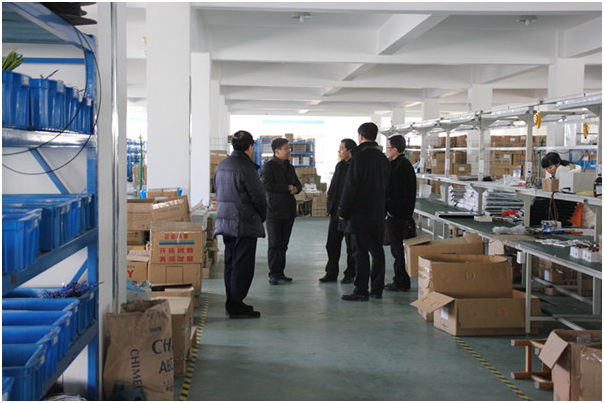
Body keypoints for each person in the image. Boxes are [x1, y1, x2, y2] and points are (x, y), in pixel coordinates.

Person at [214, 130, 267, 319]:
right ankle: (236, 306)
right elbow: (259, 197)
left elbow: (217, 190)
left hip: (226, 222)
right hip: (244, 223)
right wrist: (262, 216)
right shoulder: (246, 168)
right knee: (243, 266)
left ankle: (232, 301)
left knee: (230, 263)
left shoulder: (222, 165)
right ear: (250, 147)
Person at [338, 122, 390, 301]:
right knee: (377, 252)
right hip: (377, 214)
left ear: (360, 136)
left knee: (360, 253)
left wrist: (343, 210)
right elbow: (388, 187)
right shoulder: (383, 159)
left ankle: (361, 290)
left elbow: (351, 186)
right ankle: (377, 289)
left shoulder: (358, 158)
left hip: (359, 215)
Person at [260, 138, 303, 285]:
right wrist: (286, 188)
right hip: (274, 211)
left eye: (289, 148)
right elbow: (265, 185)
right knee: (274, 243)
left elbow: (298, 184)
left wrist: (296, 188)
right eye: (286, 149)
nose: (289, 151)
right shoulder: (269, 166)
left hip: (288, 210)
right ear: (277, 151)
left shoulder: (289, 167)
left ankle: (280, 272)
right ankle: (273, 273)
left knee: (284, 244)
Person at [319, 138, 357, 284]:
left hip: (349, 213)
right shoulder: (340, 166)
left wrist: (345, 210)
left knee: (351, 246)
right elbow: (334, 187)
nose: (339, 151)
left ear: (350, 150)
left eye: (342, 148)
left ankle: (350, 273)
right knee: (332, 244)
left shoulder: (355, 166)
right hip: (336, 212)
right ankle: (331, 272)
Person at [384, 134, 417, 292]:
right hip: (402, 214)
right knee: (398, 250)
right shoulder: (402, 164)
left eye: (388, 147)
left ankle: (401, 282)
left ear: (395, 149)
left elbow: (396, 193)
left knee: (398, 250)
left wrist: (389, 209)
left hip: (399, 216)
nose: (387, 150)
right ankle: (401, 280)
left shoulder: (399, 167)